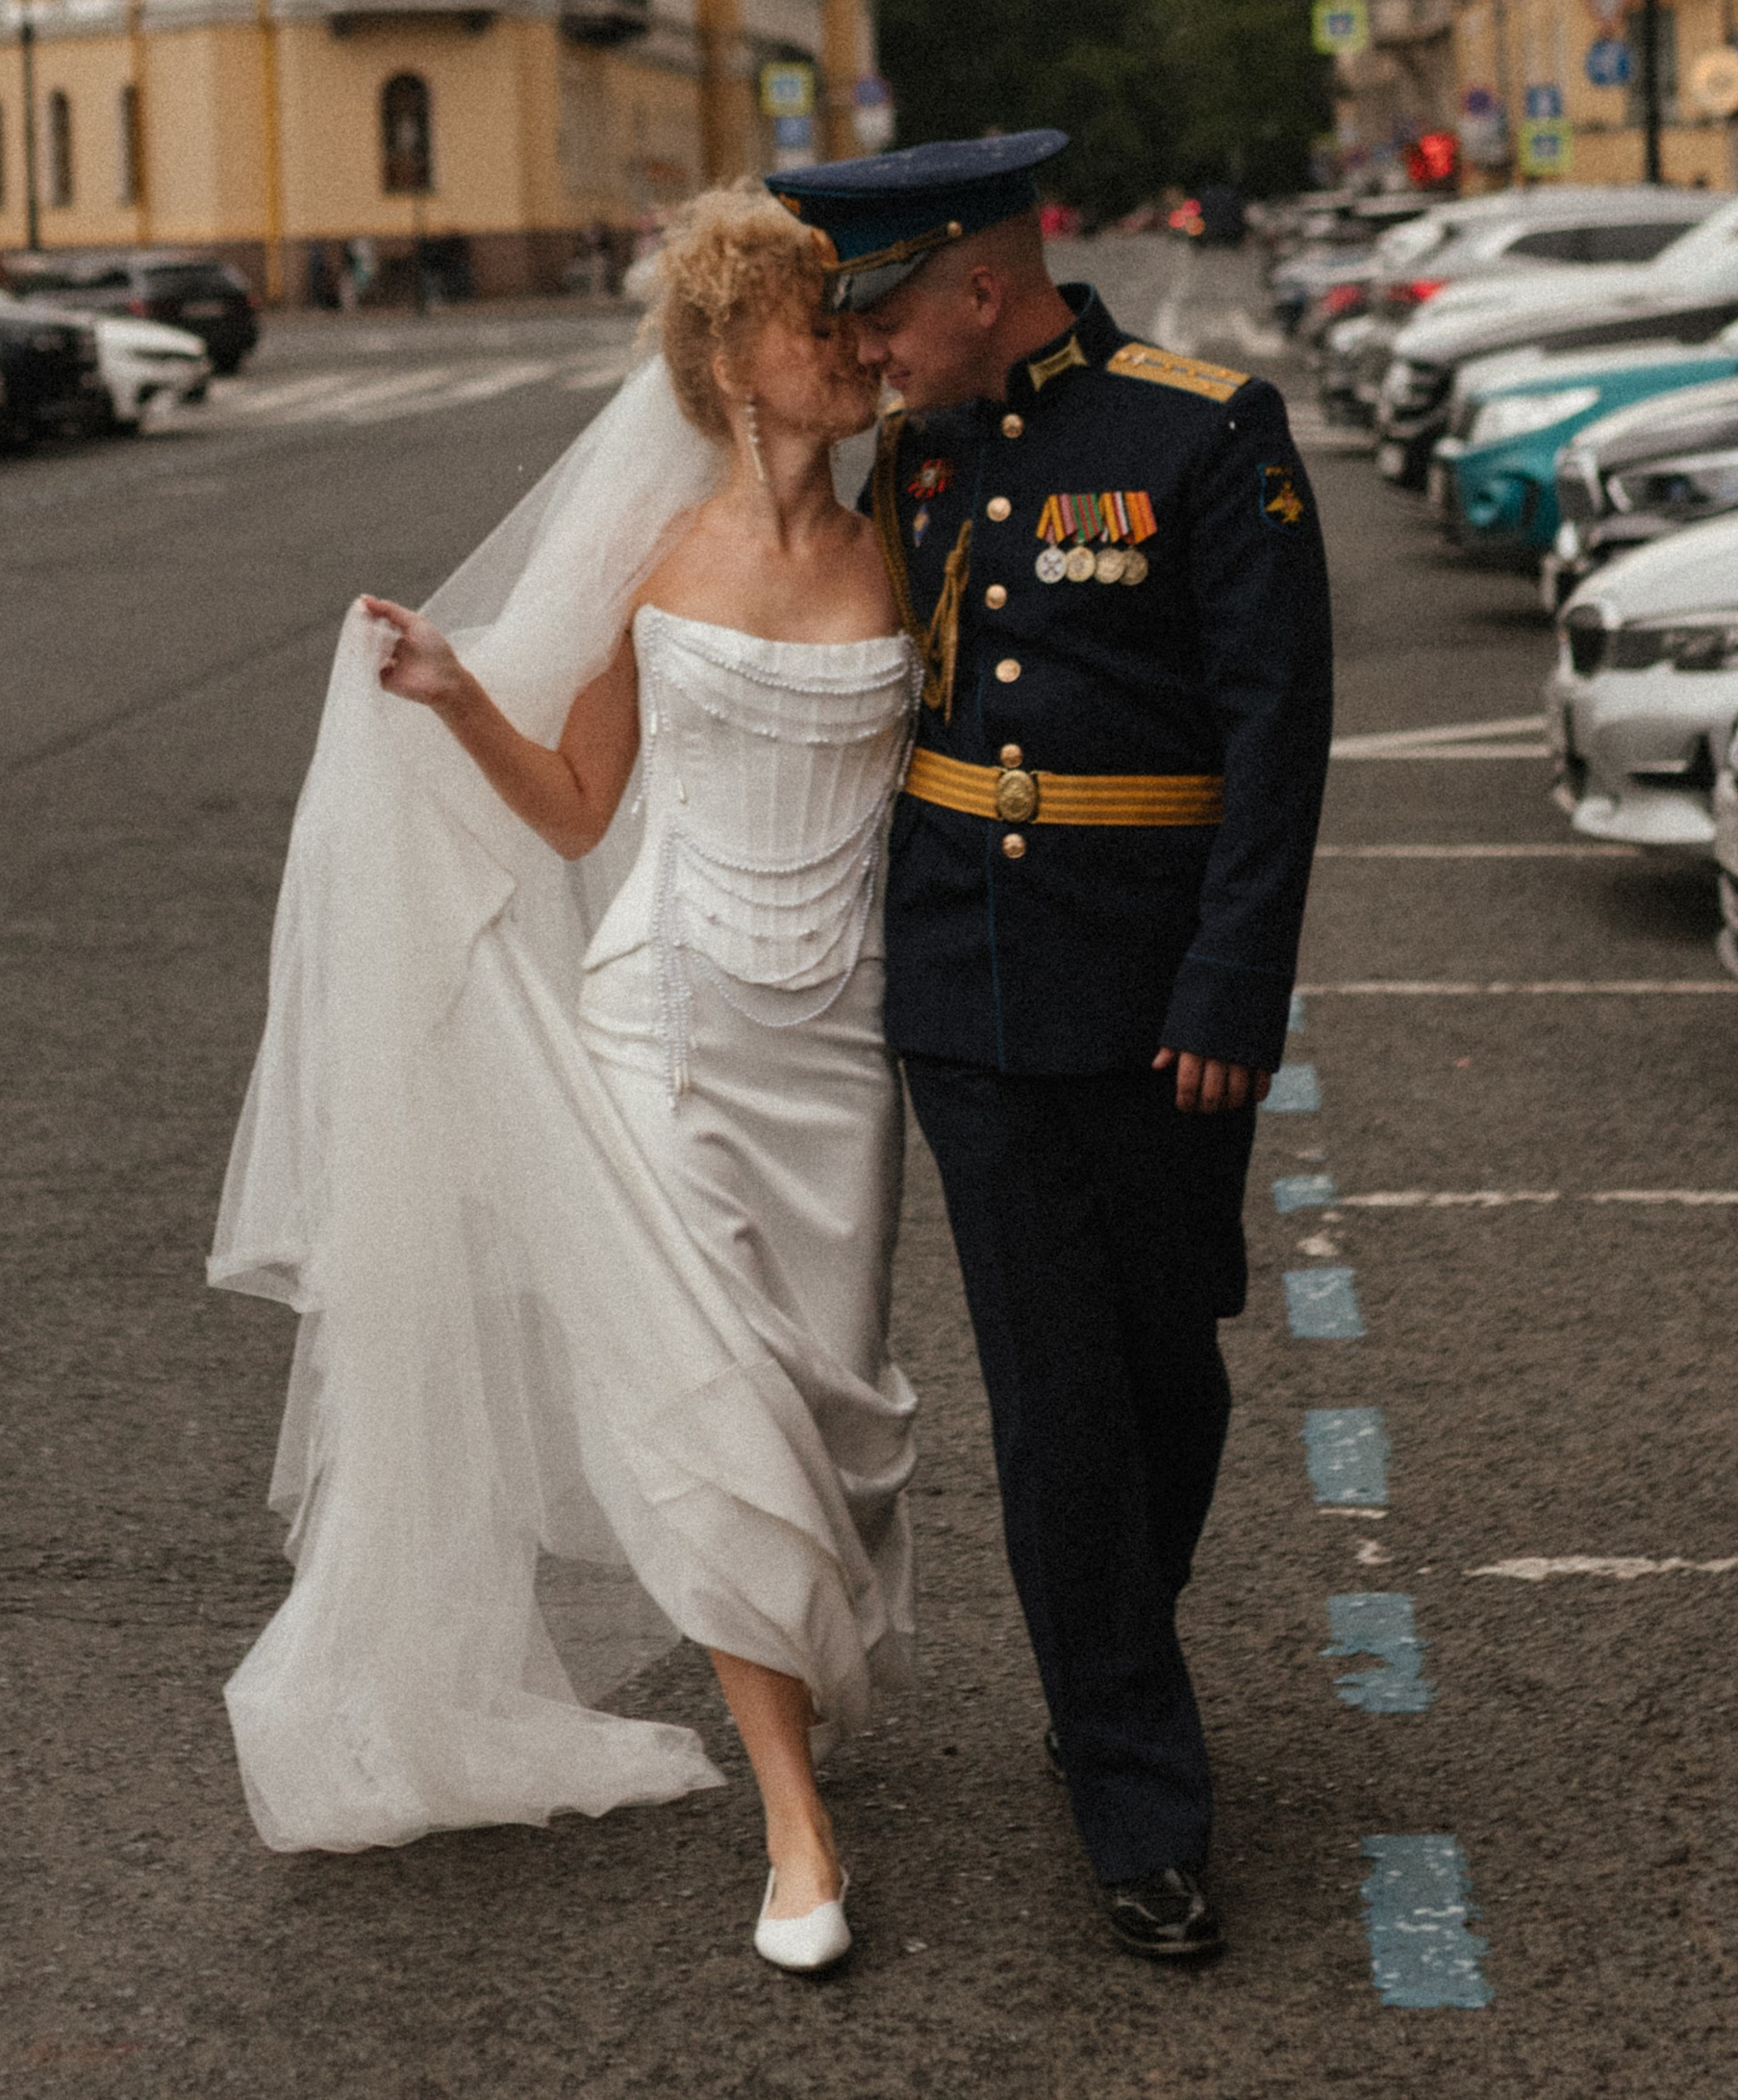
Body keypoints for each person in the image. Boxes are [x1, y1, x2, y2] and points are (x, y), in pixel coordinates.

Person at [211, 186, 920, 1971]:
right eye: (807, 320)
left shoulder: (915, 531)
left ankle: (791, 1701)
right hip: (662, 1024)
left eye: (848, 318)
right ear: (727, 362)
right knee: (708, 1406)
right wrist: (457, 697)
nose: (846, 343)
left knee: (831, 1416)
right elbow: (583, 810)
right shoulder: (655, 560)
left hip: (843, 1050)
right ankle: (793, 1820)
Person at [768, 134, 1333, 1966]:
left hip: (1159, 1000)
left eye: (887, 317)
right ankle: (1135, 1791)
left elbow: (1276, 741)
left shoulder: (1203, 434)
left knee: (1171, 1373)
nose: (873, 352)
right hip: (972, 994)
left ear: (979, 293)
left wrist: (1233, 993)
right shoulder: (913, 458)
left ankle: (1113, 1645)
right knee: (1057, 1401)